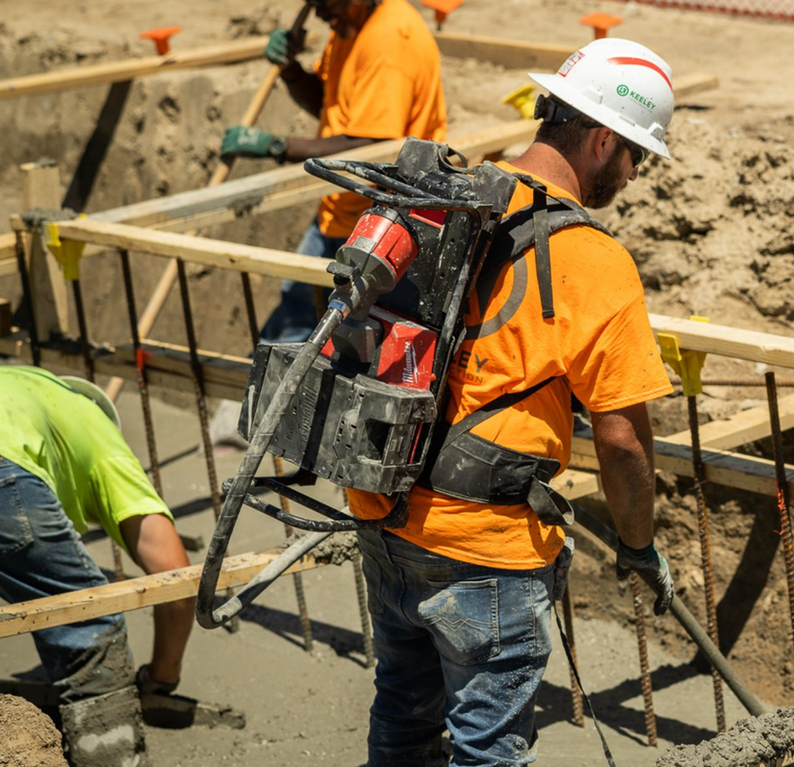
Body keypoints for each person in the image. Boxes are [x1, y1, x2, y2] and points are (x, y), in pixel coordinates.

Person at [346, 38, 677, 766]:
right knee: (488, 750)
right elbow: (622, 440)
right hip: (486, 552)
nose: (633, 174)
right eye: (636, 157)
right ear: (600, 139)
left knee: (401, 717)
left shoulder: (444, 197)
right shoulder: (594, 260)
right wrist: (638, 543)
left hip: (386, 513)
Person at [219, 0, 447, 343]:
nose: (318, 12)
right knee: (295, 314)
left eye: (325, 1)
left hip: (384, 219)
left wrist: (279, 146)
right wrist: (291, 71)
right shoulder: (349, 26)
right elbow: (330, 103)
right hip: (340, 207)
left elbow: (369, 148)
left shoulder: (389, 41)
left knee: (354, 337)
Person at [0, 367, 194, 767]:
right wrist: (162, 676)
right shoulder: (101, 437)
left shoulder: (22, 386)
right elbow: (177, 579)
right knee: (87, 623)